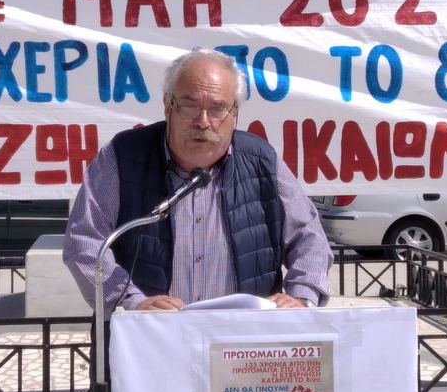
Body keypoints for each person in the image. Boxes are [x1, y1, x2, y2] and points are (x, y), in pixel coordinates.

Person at [63, 48, 332, 316]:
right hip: (149, 333)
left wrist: (301, 296)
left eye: (217, 109)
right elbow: (86, 240)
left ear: (234, 114)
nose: (203, 122)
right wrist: (130, 301)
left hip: (244, 335)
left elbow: (308, 237)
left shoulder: (262, 161)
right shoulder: (122, 156)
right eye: (190, 106)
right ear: (168, 106)